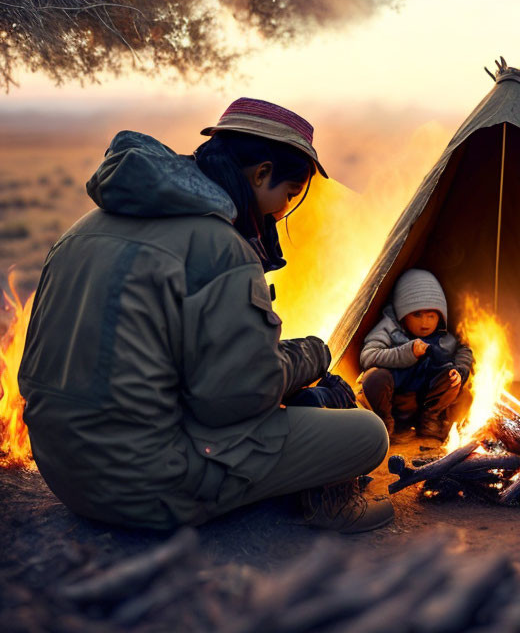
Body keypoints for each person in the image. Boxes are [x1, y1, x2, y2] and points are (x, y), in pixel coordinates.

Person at [19, 97, 393, 533]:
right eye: (289, 195)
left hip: (63, 472)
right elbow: (234, 400)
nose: (283, 212)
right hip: (143, 488)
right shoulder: (218, 245)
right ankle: (326, 500)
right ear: (262, 173)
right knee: (367, 434)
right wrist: (311, 356)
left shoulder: (81, 230)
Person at [359, 269, 473, 440]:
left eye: (431, 316)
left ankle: (430, 422)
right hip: (396, 400)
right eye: (417, 315)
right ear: (403, 314)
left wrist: (460, 371)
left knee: (456, 382)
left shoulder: (443, 337)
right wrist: (407, 352)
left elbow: (464, 351)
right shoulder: (389, 328)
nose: (425, 323)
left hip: (425, 403)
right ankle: (384, 425)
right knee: (374, 378)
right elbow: (368, 356)